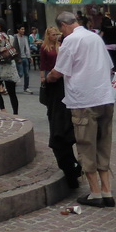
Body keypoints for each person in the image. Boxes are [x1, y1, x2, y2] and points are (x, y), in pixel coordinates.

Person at [46, 12, 115, 209]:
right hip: (105, 98)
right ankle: (107, 191)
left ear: (63, 26)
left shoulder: (70, 40)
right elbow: (108, 65)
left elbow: (59, 71)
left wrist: (48, 78)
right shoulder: (95, 38)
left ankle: (95, 193)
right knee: (103, 144)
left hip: (83, 101)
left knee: (86, 146)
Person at [39, 26, 81, 189]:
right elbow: (46, 67)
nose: (56, 36)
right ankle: (73, 172)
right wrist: (45, 78)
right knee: (61, 134)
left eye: (58, 34)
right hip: (57, 91)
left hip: (64, 94)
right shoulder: (46, 48)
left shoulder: (64, 47)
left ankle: (74, 171)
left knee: (62, 135)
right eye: (54, 34)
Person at [14, 25, 32, 93]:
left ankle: (26, 87)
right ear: (18, 30)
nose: (23, 31)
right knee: (20, 73)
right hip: (19, 57)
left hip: (25, 57)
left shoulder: (25, 38)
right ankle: (13, 82)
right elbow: (14, 48)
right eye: (21, 29)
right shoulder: (15, 37)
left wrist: (29, 57)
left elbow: (27, 48)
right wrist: (17, 57)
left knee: (27, 74)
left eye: (23, 29)